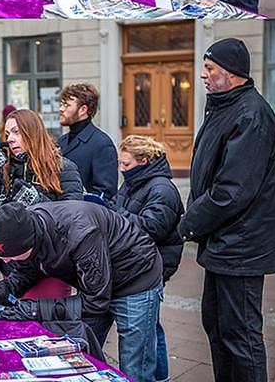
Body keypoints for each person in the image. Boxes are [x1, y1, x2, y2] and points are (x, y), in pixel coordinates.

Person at [178, 38, 275, 382]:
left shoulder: (251, 114)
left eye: (209, 68)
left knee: (241, 335)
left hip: (242, 246)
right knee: (218, 326)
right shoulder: (225, 107)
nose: (203, 75)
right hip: (224, 242)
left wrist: (187, 224)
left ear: (231, 74)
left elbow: (232, 191)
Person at [0, 201, 164, 382]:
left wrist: (36, 309)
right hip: (96, 283)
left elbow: (95, 303)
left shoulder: (80, 234)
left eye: (10, 256)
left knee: (134, 366)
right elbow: (27, 271)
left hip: (136, 277)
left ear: (28, 243)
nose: (7, 262)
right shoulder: (28, 229)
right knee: (81, 357)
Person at [113, 135, 184, 382]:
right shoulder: (135, 182)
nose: (122, 170)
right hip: (141, 264)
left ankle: (158, 377)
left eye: (126, 164)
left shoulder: (162, 189)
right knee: (150, 328)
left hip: (153, 267)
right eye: (120, 164)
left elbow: (150, 228)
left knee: (146, 331)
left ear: (144, 161)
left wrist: (114, 213)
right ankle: (161, 376)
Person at [0, 108, 83, 224]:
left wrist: (36, 202)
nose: (10, 139)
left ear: (33, 133)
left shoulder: (62, 167)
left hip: (44, 241)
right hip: (9, 239)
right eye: (7, 135)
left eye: (16, 132)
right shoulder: (5, 167)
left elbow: (72, 218)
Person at [55, 83, 118, 200]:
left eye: (66, 105)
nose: (61, 109)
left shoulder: (102, 144)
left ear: (83, 110)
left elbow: (104, 194)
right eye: (61, 104)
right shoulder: (61, 141)